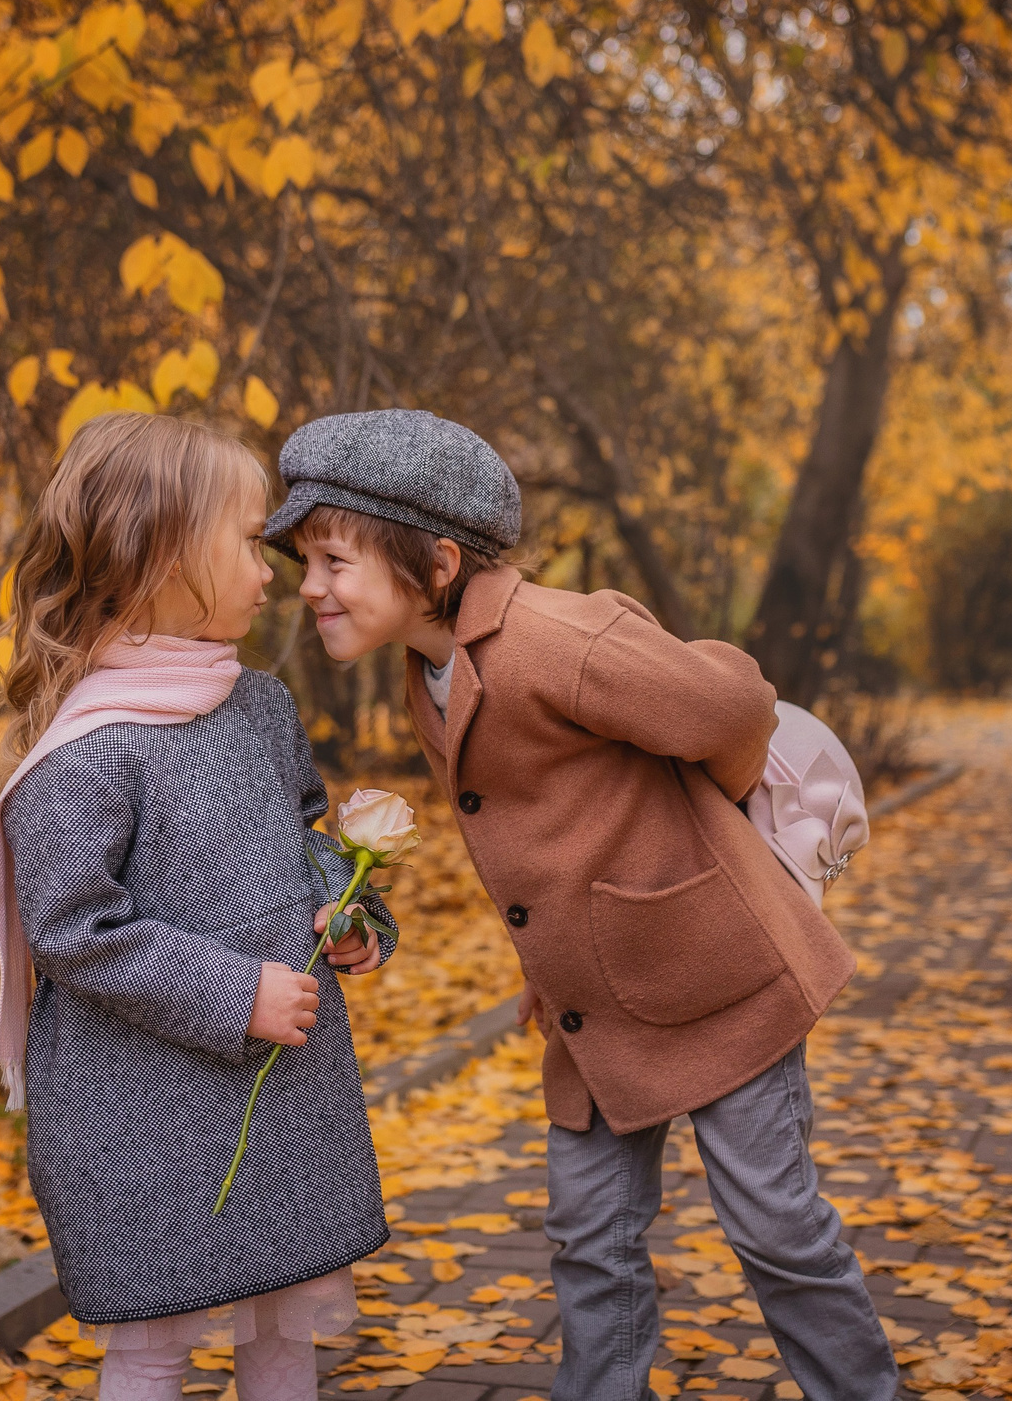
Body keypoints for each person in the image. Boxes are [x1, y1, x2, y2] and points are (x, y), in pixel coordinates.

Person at [264, 410, 898, 1401]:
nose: (310, 586)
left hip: (718, 976)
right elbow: (541, 830)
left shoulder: (558, 638)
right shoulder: (422, 677)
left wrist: (720, 826)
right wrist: (548, 958)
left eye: (334, 559)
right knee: (588, 1232)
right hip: (593, 1006)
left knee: (775, 1226)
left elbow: (729, 707)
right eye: (306, 560)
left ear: (434, 562)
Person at [0, 412, 392, 1401]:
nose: (274, 573)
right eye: (250, 543)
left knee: (281, 1322)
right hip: (141, 1101)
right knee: (152, 1338)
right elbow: (72, 928)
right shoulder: (88, 748)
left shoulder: (259, 705)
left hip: (276, 1093)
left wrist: (347, 913)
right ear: (158, 551)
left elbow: (304, 836)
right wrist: (229, 992)